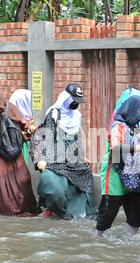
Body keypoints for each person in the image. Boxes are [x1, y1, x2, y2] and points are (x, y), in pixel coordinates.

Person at [30, 83, 97, 219]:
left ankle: (79, 212)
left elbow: (77, 139)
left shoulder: (76, 116)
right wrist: (42, 159)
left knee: (85, 175)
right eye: (74, 101)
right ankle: (53, 208)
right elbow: (47, 137)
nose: (76, 104)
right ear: (66, 99)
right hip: (55, 157)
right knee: (53, 183)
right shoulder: (54, 114)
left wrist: (82, 156)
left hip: (72, 157)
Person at [95, 93, 140, 237]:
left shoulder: (134, 127)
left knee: (135, 213)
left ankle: (129, 241)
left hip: (132, 174)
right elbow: (116, 148)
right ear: (133, 110)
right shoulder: (118, 127)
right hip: (114, 173)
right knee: (109, 211)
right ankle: (97, 239)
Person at [0, 88, 39, 216]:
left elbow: (23, 123)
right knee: (3, 187)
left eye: (1, 109)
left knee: (24, 178)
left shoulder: (10, 109)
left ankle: (28, 208)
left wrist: (29, 127)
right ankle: (9, 212)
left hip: (14, 150)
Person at [8, 89, 35, 164]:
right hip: (12, 148)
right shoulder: (11, 115)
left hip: (22, 147)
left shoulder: (29, 118)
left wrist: (28, 127)